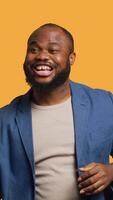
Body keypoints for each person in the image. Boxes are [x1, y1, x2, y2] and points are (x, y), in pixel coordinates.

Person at [0, 23, 113, 200]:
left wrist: (111, 171)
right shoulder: (5, 119)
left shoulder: (104, 103)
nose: (42, 56)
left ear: (71, 58)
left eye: (53, 50)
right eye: (34, 49)